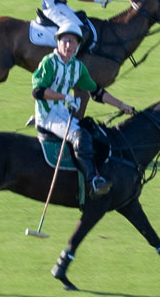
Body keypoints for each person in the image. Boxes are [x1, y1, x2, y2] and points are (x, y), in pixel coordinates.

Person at [32, 28, 134, 197]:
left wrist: (121, 105)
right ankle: (93, 181)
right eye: (65, 41)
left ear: (77, 46)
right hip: (47, 115)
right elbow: (37, 92)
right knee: (80, 136)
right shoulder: (49, 62)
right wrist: (65, 97)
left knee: (93, 130)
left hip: (63, 113)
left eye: (72, 42)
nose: (68, 45)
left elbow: (97, 92)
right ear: (58, 42)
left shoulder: (77, 67)